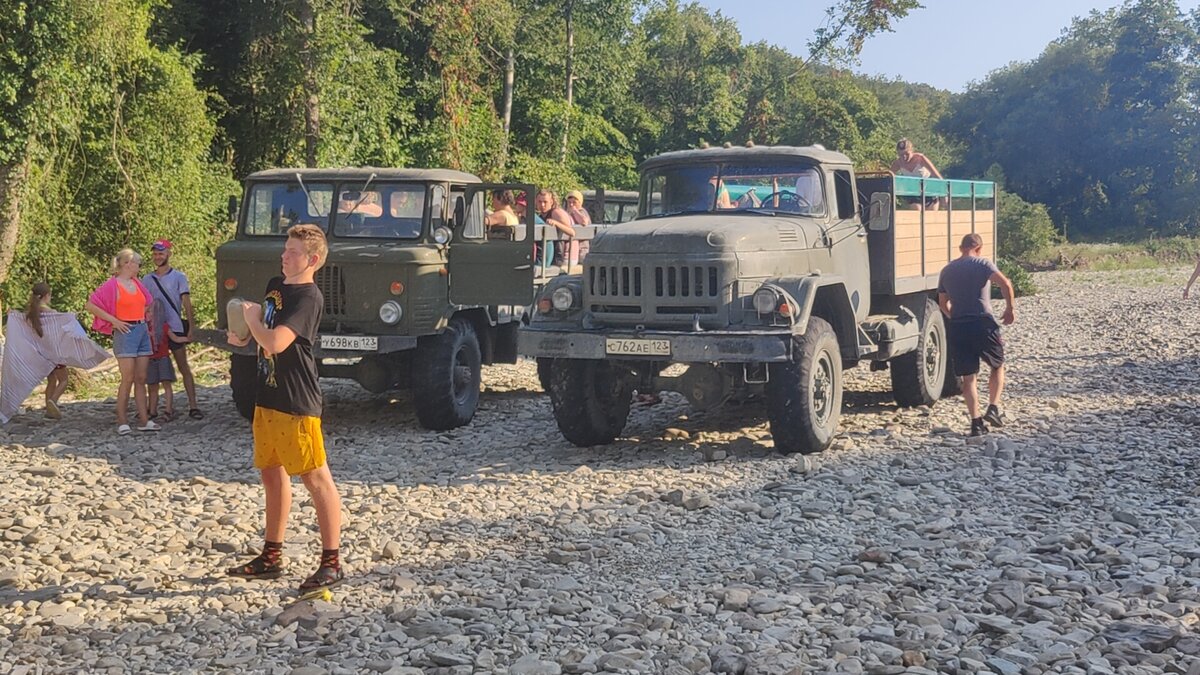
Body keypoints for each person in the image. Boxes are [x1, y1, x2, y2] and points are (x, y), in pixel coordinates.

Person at [225, 224, 344, 593]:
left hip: (297, 400)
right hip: (268, 396)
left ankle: (331, 563)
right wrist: (242, 333)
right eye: (285, 249)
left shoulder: (309, 297)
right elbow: (263, 330)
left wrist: (254, 324)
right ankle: (271, 556)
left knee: (315, 477)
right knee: (271, 474)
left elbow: (276, 340)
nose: (284, 255)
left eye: (292, 252)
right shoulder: (277, 285)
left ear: (312, 259)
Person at [937, 233, 1016, 437]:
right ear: (979, 248)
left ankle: (976, 422)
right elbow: (1005, 284)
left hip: (959, 326)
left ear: (960, 247)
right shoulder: (983, 264)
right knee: (997, 365)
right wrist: (1010, 309)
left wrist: (953, 315)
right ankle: (993, 407)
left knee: (968, 378)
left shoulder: (947, 270)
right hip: (983, 323)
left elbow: (942, 303)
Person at [85, 249, 159, 435]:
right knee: (127, 378)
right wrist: (114, 321)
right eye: (137, 263)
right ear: (127, 264)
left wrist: (146, 314)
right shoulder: (112, 285)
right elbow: (90, 305)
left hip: (141, 329)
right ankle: (122, 420)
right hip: (125, 332)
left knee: (141, 377)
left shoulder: (137, 283)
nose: (139, 267)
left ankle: (144, 419)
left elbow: (148, 302)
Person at [143, 239, 202, 420]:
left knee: (183, 366)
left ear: (168, 253)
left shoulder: (179, 277)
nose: (157, 257)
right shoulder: (146, 279)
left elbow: (186, 302)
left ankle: (193, 405)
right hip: (154, 331)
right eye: (155, 254)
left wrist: (191, 327)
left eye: (161, 253)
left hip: (175, 327)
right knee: (151, 369)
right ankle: (151, 407)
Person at [24, 283, 68, 419]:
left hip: (42, 353)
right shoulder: (51, 313)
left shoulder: (30, 314)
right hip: (54, 353)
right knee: (64, 380)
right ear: (47, 296)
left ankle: (49, 411)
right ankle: (52, 402)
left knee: (51, 380)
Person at [146, 298, 187, 422]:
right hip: (151, 360)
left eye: (149, 311)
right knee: (152, 385)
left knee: (166, 385)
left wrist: (187, 338)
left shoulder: (164, 327)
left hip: (163, 358)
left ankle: (168, 410)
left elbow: (175, 338)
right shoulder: (146, 328)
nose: (147, 313)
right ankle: (152, 411)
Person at [891, 139, 944, 210]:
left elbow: (937, 176)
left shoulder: (920, 159)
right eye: (901, 155)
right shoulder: (898, 163)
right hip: (914, 192)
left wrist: (944, 194)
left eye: (907, 154)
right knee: (917, 213)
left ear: (912, 151)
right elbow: (889, 176)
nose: (904, 157)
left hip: (929, 191)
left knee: (931, 217)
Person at [535, 190, 576, 267]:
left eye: (545, 202)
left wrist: (556, 223)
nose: (542, 205)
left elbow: (572, 232)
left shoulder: (556, 212)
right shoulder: (540, 216)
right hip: (547, 255)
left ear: (551, 202)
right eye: (539, 202)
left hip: (558, 256)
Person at [564, 190, 592, 264]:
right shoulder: (566, 213)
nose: (571, 205)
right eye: (569, 202)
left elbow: (584, 222)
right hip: (570, 250)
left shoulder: (582, 212)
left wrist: (575, 211)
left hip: (582, 249)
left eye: (574, 202)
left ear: (580, 203)